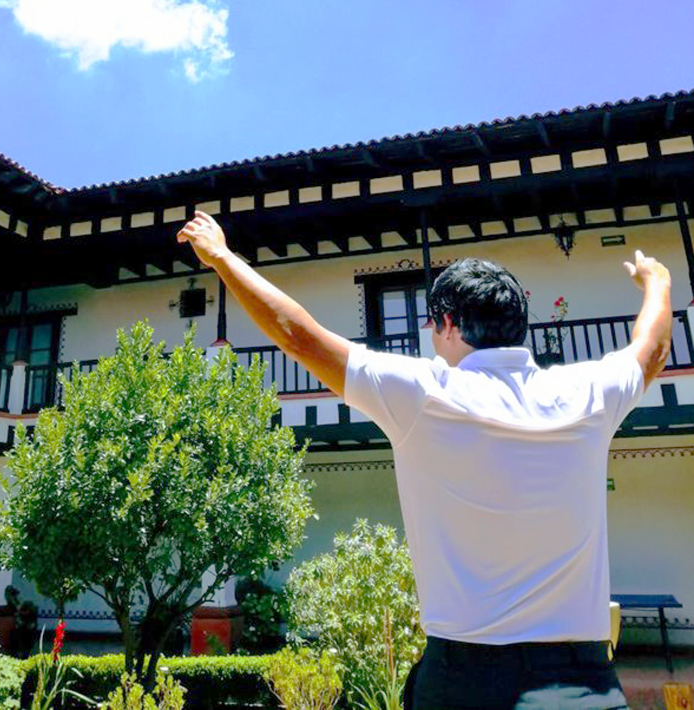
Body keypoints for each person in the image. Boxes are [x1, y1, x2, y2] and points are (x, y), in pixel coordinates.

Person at [178, 211, 672, 709]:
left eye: (433, 325)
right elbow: (652, 349)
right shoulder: (587, 392)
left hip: (465, 682)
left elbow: (297, 335)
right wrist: (657, 281)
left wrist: (221, 257)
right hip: (586, 685)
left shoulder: (425, 393)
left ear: (450, 324)